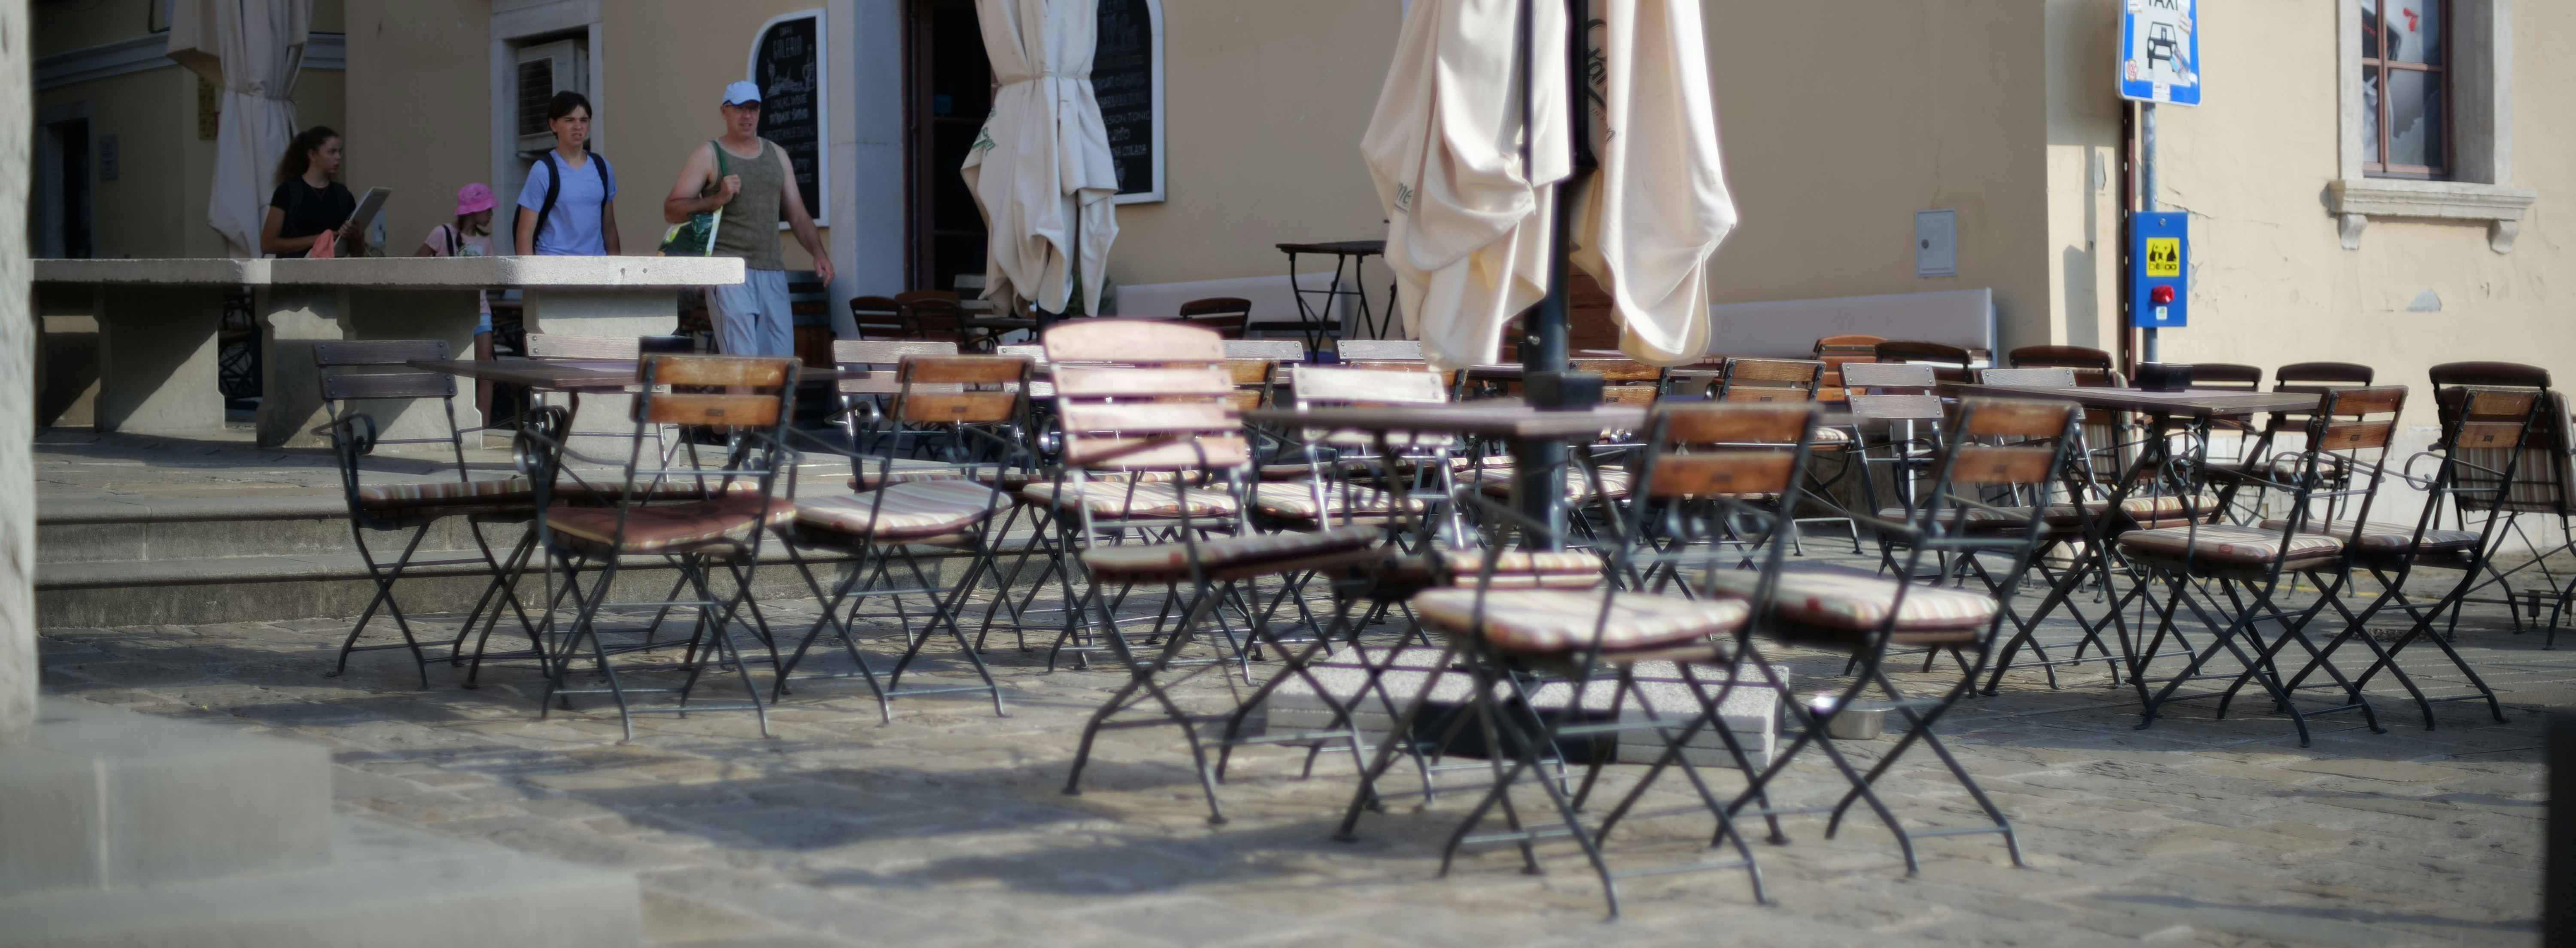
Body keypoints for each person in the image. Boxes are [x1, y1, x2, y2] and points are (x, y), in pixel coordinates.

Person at [662, 80, 832, 358]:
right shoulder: (708, 154)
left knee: (780, 366)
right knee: (743, 367)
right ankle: (741, 404)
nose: (747, 116)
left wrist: (818, 253)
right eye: (740, 109)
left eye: (753, 109)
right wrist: (718, 198)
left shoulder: (777, 155)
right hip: (728, 272)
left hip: (772, 270)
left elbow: (798, 214)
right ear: (724, 111)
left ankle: (768, 404)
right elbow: (672, 209)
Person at [513, 91, 621, 257]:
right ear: (553, 125)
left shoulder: (603, 167)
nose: (578, 126)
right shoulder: (543, 170)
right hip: (553, 269)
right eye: (569, 120)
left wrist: (617, 274)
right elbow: (524, 234)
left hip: (596, 271)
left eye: (584, 120)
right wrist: (531, 281)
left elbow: (610, 229)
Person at [415, 184, 499, 380]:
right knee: (455, 367)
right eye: (487, 209)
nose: (491, 214)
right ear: (473, 210)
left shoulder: (485, 242)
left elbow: (490, 277)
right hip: (450, 310)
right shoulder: (442, 233)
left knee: (486, 369)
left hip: (481, 311)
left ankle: (484, 412)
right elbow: (415, 265)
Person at [261, 126, 367, 258]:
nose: (338, 157)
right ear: (313, 155)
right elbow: (268, 244)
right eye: (332, 152)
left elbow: (358, 254)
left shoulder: (343, 195)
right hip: (294, 274)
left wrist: (356, 237)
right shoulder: (288, 191)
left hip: (334, 275)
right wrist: (318, 239)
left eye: (340, 151)